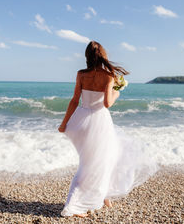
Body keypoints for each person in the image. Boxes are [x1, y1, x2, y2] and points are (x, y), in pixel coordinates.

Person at [58, 41, 157, 218]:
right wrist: (118, 92)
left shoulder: (81, 74)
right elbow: (107, 103)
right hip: (99, 122)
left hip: (82, 121)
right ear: (104, 56)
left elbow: (74, 100)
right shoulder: (109, 75)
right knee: (99, 161)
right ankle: (73, 206)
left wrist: (64, 123)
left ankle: (104, 195)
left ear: (87, 56)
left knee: (99, 160)